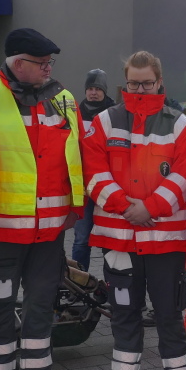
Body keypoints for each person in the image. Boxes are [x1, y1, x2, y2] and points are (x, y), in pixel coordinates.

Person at [0, 28, 83, 370]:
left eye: (50, 64)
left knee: (42, 303)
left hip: (49, 230)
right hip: (0, 230)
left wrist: (76, 210)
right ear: (17, 63)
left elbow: (76, 154)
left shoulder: (63, 99)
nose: (48, 70)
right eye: (41, 64)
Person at [82, 51, 186, 370]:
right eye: (134, 83)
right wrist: (126, 207)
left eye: (147, 83)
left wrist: (149, 207)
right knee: (123, 310)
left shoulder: (180, 125)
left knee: (168, 311)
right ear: (125, 82)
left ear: (160, 82)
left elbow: (184, 178)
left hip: (164, 238)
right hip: (119, 239)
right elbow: (93, 174)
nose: (141, 89)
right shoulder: (103, 122)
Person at [72, 68, 114, 271]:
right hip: (83, 188)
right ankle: (79, 283)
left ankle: (114, 283)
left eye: (98, 88)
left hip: (109, 187)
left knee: (111, 238)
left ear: (105, 91)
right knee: (81, 239)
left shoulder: (115, 115)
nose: (93, 92)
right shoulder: (75, 115)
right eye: (90, 88)